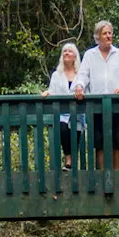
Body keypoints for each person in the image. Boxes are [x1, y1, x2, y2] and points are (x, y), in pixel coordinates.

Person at [73, 19, 119, 169]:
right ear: (97, 37)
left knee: (116, 142)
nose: (108, 36)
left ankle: (117, 176)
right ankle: (102, 177)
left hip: (116, 104)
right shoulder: (89, 55)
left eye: (110, 33)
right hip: (96, 106)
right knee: (99, 142)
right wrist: (79, 86)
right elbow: (82, 75)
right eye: (104, 33)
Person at [42, 41, 84, 169]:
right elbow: (52, 91)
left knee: (75, 131)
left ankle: (73, 162)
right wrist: (47, 93)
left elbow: (86, 89)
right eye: (65, 51)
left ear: (75, 56)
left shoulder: (81, 74)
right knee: (63, 128)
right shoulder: (56, 74)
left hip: (77, 111)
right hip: (61, 112)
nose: (67, 53)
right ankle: (68, 160)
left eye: (70, 51)